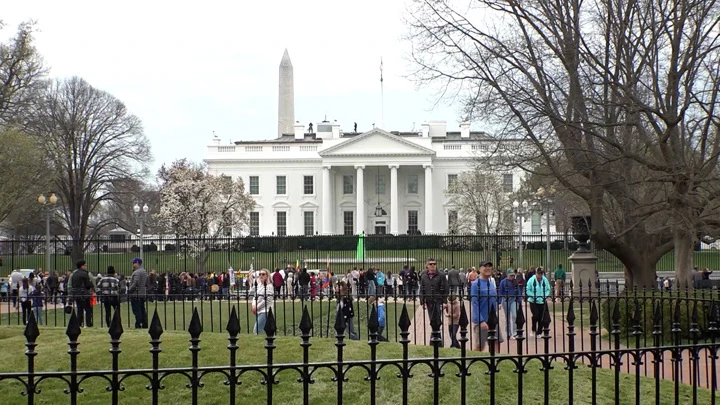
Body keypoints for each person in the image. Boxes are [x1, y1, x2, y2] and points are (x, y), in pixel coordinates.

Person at [471, 261, 504, 351]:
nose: (488, 268)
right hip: (482, 320)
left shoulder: (491, 283)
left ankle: (495, 362)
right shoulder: (475, 284)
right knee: (480, 346)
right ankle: (475, 362)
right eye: (485, 266)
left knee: (496, 342)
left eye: (490, 266)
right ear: (480, 269)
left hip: (493, 318)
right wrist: (480, 321)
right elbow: (475, 303)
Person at [419, 257, 449, 341]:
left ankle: (437, 337)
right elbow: (422, 289)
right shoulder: (424, 276)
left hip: (438, 301)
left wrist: (444, 301)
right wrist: (422, 301)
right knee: (431, 318)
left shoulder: (441, 275)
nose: (433, 265)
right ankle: (434, 335)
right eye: (430, 264)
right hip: (429, 301)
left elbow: (446, 288)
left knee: (438, 319)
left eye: (434, 264)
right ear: (427, 265)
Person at [525, 267, 551, 337]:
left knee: (541, 317)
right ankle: (533, 329)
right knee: (535, 315)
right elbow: (527, 290)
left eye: (541, 273)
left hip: (542, 301)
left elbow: (548, 289)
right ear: (536, 273)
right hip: (533, 301)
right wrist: (533, 295)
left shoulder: (545, 280)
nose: (540, 275)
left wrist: (545, 295)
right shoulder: (531, 280)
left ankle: (539, 332)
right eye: (538, 273)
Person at [498, 269, 521, 339]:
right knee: (507, 317)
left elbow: (518, 291)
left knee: (514, 315)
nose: (512, 277)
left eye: (513, 275)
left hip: (513, 299)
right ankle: (508, 333)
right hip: (505, 300)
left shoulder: (515, 281)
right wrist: (499, 302)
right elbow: (500, 292)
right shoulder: (503, 282)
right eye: (511, 275)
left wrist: (519, 300)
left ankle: (514, 332)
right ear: (507, 275)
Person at [71, 260, 95, 328]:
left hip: (77, 294)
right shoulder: (84, 274)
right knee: (88, 310)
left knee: (79, 310)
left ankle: (79, 323)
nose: (86, 267)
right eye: (85, 265)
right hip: (84, 294)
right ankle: (88, 324)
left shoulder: (74, 274)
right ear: (82, 266)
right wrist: (91, 285)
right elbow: (87, 285)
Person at [252, 269, 275, 335]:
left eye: (263, 274)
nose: (261, 276)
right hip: (259, 310)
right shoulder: (259, 285)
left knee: (256, 330)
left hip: (266, 310)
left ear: (267, 276)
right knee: (265, 330)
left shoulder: (269, 286)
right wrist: (253, 305)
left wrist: (257, 307)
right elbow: (254, 297)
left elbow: (267, 299)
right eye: (260, 274)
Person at [129, 257, 149, 329]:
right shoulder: (144, 271)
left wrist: (129, 291)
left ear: (137, 263)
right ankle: (144, 324)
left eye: (133, 263)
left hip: (136, 294)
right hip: (142, 293)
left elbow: (135, 283)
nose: (132, 264)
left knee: (137, 311)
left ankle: (138, 324)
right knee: (142, 310)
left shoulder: (137, 272)